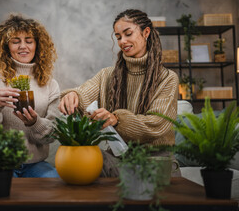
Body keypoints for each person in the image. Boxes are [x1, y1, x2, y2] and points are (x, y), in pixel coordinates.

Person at [59, 9, 179, 177]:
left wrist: (117, 119)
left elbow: (157, 124)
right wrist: (72, 95)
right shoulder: (107, 75)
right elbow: (83, 93)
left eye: (128, 34)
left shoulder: (167, 78)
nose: (123, 41)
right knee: (83, 158)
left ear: (146, 32)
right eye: (118, 37)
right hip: (119, 158)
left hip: (156, 160)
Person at [0, 14, 60, 178]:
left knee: (56, 188)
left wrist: (35, 123)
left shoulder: (50, 84)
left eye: (29, 41)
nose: (23, 46)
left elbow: (51, 135)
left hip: (34, 165)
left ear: (37, 45)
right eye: (16, 41)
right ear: (6, 46)